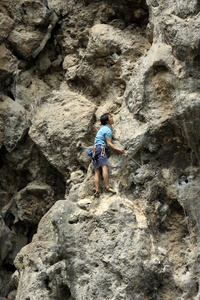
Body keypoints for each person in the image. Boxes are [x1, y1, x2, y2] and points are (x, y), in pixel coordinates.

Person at [92, 113, 125, 197]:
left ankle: (97, 191)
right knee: (104, 167)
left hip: (94, 149)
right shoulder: (107, 129)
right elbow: (109, 143)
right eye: (110, 117)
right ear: (107, 121)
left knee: (97, 171)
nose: (112, 118)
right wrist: (119, 150)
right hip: (101, 148)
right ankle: (107, 187)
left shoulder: (102, 129)